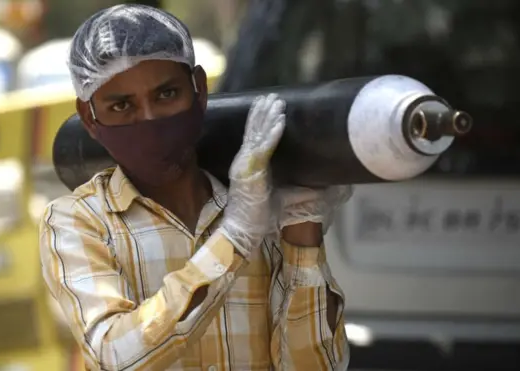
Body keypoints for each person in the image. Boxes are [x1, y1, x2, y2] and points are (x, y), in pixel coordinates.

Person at [40, 4, 353, 370]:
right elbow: (117, 355)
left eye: (166, 94)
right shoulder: (78, 222)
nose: (150, 119)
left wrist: (303, 238)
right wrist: (234, 237)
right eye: (122, 105)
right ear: (90, 120)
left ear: (199, 90)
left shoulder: (261, 208)